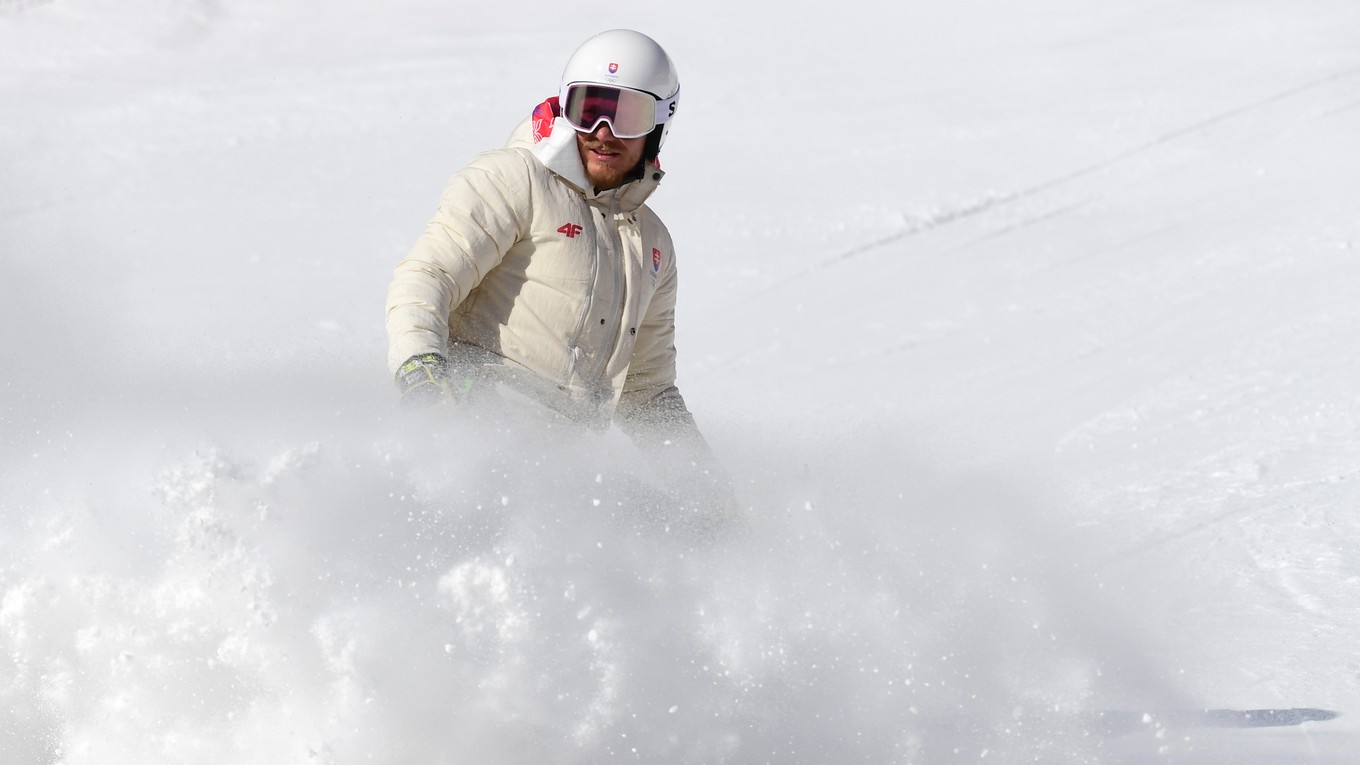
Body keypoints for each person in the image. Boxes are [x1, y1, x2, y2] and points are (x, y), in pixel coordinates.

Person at [385, 29, 728, 521]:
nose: (603, 130)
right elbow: (428, 275)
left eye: (625, 114)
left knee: (685, 541)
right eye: (589, 108)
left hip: (563, 472)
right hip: (477, 431)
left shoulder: (651, 244)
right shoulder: (515, 179)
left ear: (658, 125)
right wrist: (419, 371)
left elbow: (648, 393)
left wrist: (708, 492)